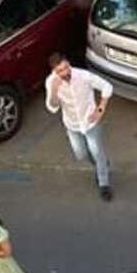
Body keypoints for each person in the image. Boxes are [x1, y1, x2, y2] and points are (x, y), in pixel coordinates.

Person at [45, 52, 114, 201]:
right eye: (60, 71)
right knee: (81, 154)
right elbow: (52, 107)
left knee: (97, 152)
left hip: (90, 122)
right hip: (72, 125)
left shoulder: (83, 76)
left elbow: (107, 87)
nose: (65, 72)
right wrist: (54, 91)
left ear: (69, 63)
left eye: (66, 67)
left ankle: (104, 184)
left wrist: (100, 109)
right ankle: (101, 164)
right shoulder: (51, 82)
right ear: (54, 72)